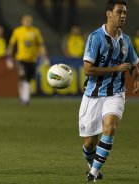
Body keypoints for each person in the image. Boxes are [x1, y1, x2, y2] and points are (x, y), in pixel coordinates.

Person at [78, 0, 139, 182]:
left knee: (110, 127)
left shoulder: (126, 40)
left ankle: (93, 174)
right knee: (89, 143)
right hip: (93, 94)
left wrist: (136, 76)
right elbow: (88, 70)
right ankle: (92, 163)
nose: (123, 16)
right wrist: (117, 68)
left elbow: (134, 64)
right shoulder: (95, 37)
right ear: (108, 14)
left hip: (116, 93)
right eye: (119, 12)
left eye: (125, 13)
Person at [7, 14, 49, 105]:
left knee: (28, 79)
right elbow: (11, 45)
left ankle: (23, 96)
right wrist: (9, 58)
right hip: (21, 58)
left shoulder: (36, 31)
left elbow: (41, 44)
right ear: (22, 21)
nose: (27, 22)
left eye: (29, 20)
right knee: (24, 77)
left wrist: (44, 57)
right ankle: (25, 99)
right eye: (26, 20)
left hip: (32, 59)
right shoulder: (17, 31)